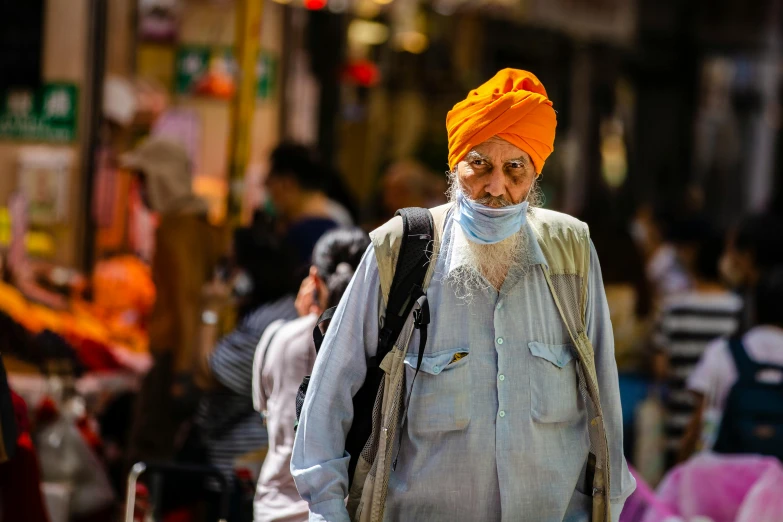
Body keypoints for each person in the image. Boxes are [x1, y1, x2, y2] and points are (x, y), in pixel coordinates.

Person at [291, 69, 635, 522]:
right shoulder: (400, 250)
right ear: (456, 168)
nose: (496, 188)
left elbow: (604, 404)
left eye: (515, 168)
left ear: (534, 176)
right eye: (480, 165)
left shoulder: (571, 252)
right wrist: (328, 511)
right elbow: (329, 394)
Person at [252, 228, 370, 522]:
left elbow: (266, 412)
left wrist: (304, 321)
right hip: (338, 507)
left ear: (314, 279)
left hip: (275, 506)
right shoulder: (372, 342)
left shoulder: (276, 337)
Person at [124, 137, 226, 465]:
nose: (139, 190)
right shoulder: (200, 224)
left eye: (143, 179)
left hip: (173, 357)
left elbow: (186, 300)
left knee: (150, 453)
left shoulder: (175, 229)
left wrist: (183, 372)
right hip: (189, 354)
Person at [194, 226, 299, 499]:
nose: (222, 275)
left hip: (241, 462)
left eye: (228, 265)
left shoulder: (262, 324)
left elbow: (206, 375)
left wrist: (209, 311)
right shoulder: (284, 308)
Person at [652, 225, 742, 468]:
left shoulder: (671, 308)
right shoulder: (739, 310)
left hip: (677, 435)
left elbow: (661, 369)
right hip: (721, 438)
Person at [681, 268, 783, 460]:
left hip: (726, 479)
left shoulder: (722, 351)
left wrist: (681, 467)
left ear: (753, 308)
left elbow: (699, 423)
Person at [263, 143, 342, 265]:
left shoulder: (298, 237)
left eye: (270, 184)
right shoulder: (338, 224)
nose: (270, 196)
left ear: (287, 183)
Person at [719, 212, 783, 330]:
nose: (729, 258)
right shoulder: (742, 294)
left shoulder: (739, 303)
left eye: (731, 249)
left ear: (748, 256)